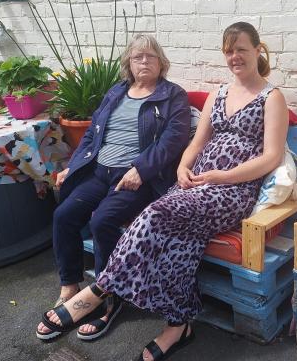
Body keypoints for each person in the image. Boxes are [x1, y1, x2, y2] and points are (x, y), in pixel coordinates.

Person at [36, 22, 289, 360]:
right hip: (195, 184)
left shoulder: (272, 98)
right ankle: (179, 325)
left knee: (154, 213)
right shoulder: (219, 95)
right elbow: (196, 143)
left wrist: (222, 176)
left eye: (241, 49)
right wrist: (184, 167)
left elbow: (271, 157)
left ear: (258, 50)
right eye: (228, 50)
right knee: (181, 237)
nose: (234, 57)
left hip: (232, 191)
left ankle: (101, 289)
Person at [43, 34, 190, 340]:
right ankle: (71, 286)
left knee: (102, 221)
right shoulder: (116, 92)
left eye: (151, 56)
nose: (145, 62)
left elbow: (172, 140)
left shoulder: (172, 95)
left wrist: (141, 169)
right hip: (99, 172)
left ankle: (112, 298)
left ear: (162, 63)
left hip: (135, 176)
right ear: (129, 64)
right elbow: (92, 134)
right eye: (138, 57)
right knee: (64, 215)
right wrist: (73, 164)